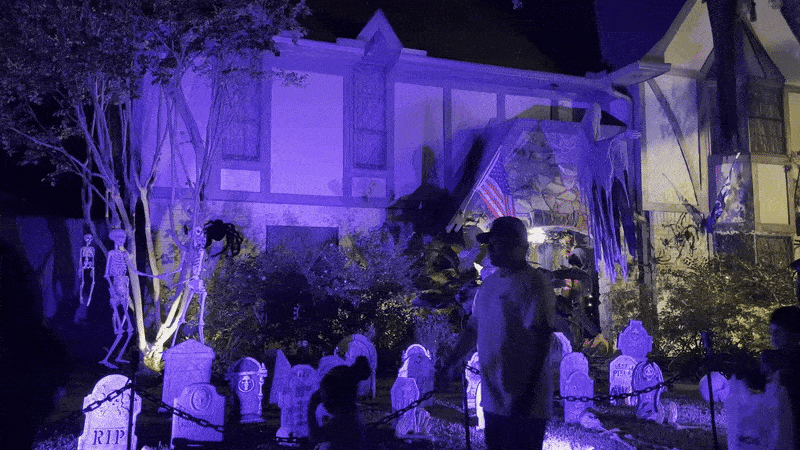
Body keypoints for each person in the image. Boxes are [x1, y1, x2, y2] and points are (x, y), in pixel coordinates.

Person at [437, 216, 556, 450]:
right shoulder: (489, 285)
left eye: (496, 243)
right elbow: (473, 328)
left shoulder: (535, 284)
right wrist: (449, 362)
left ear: (518, 246)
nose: (490, 249)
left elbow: (540, 340)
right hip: (493, 398)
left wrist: (525, 396)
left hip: (524, 403)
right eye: (489, 244)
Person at [307, 355, 371, 450]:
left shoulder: (349, 374)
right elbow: (346, 404)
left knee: (348, 422)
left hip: (330, 398)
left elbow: (350, 402)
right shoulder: (349, 377)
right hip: (329, 397)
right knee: (346, 423)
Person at [761, 305, 800, 449]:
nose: (773, 339)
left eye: (777, 333)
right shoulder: (771, 358)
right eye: (772, 333)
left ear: (795, 335)